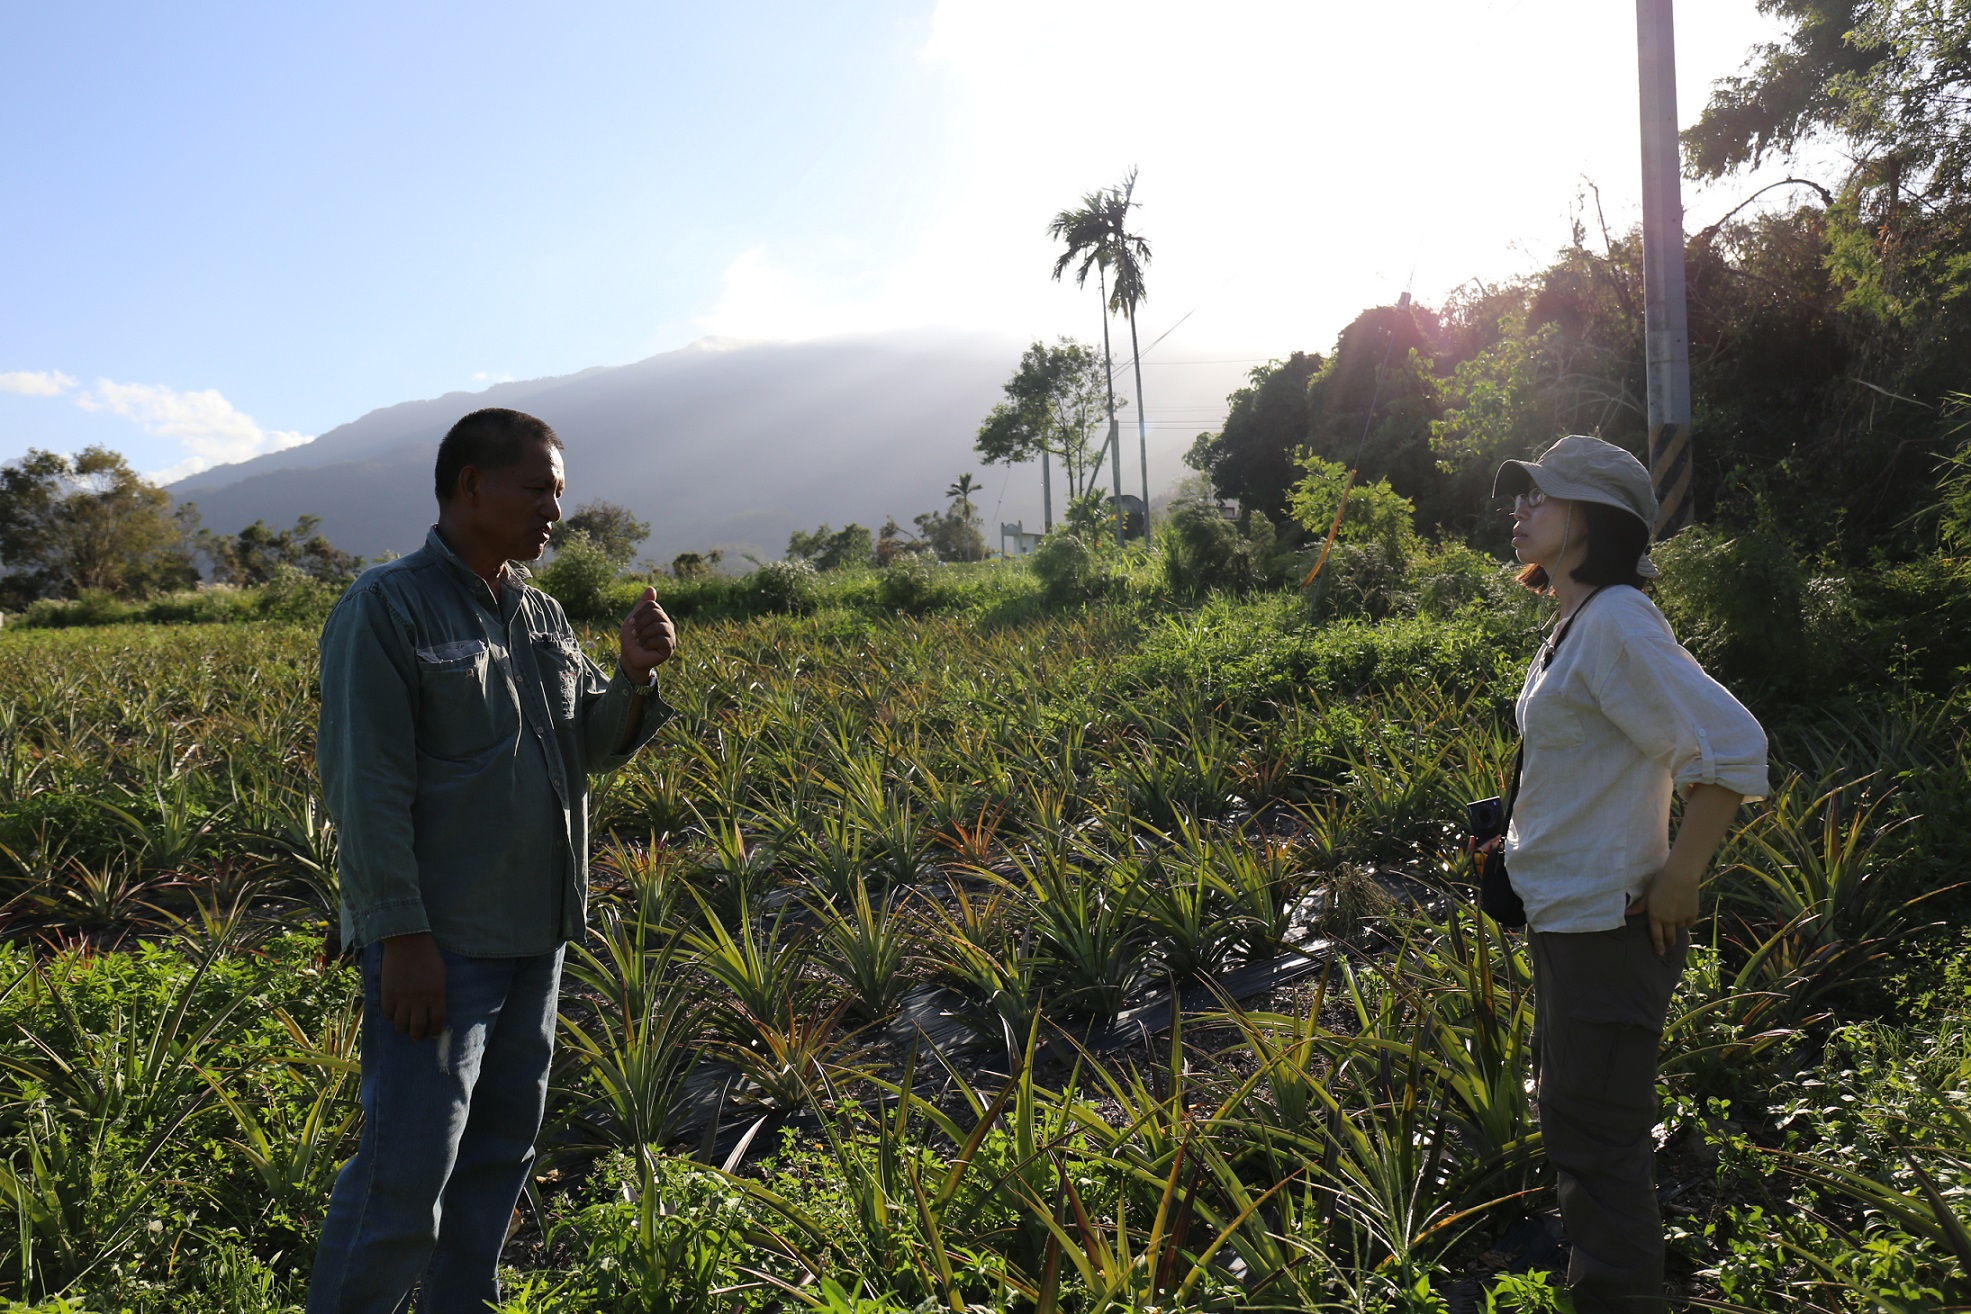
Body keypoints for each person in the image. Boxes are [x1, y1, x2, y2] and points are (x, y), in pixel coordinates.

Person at [309, 408, 678, 1313]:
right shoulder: (386, 606)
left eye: (559, 491)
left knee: (498, 1161)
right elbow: (366, 787)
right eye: (537, 488)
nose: (555, 509)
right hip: (442, 946)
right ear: (471, 485)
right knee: (405, 1177)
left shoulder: (542, 614)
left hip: (535, 940)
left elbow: (584, 744)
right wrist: (399, 936)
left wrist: (631, 677)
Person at [1491, 435, 1767, 1314]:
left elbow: (1730, 748)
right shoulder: (1576, 619)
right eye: (1523, 494)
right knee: (1578, 1127)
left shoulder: (1615, 620)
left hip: (1606, 928)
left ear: (1593, 521)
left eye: (1543, 496)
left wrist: (1681, 876)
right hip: (1568, 918)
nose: (1522, 507)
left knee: (1598, 1146)